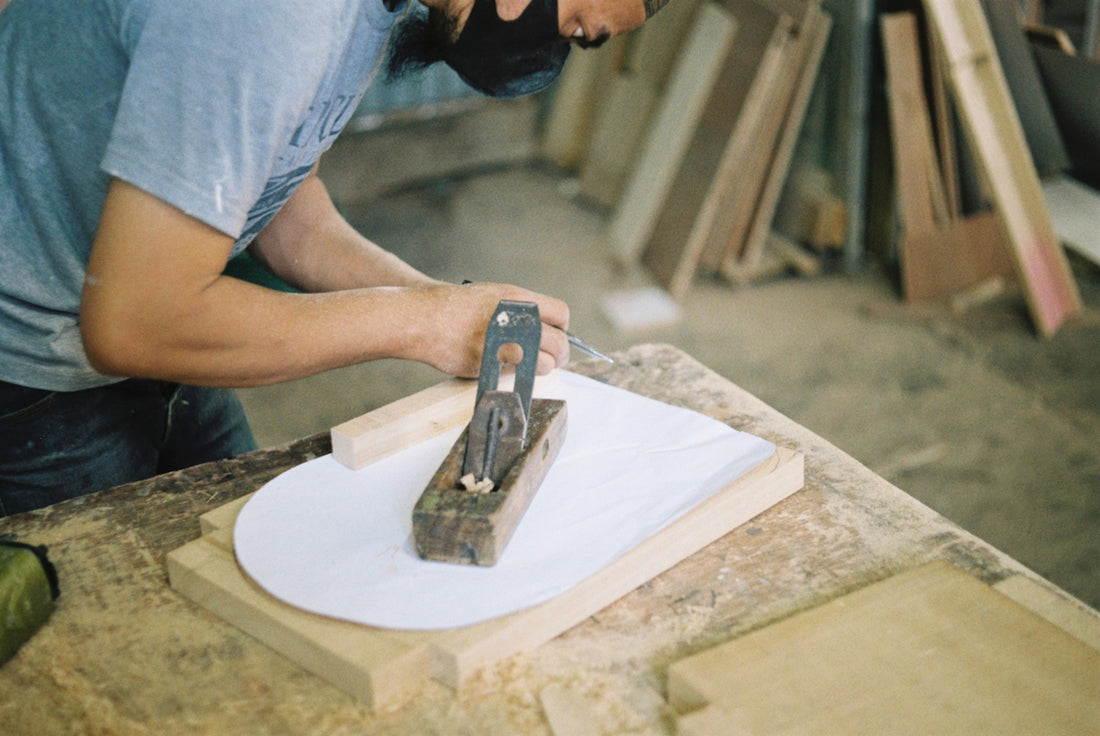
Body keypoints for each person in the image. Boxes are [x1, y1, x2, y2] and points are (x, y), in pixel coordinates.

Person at [0, 0, 664, 514]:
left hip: (142, 346)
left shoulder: (364, 13)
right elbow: (138, 321)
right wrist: (418, 323)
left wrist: (441, 304)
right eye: (576, 27)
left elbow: (285, 210)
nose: (550, 49)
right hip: (30, 375)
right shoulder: (274, 16)